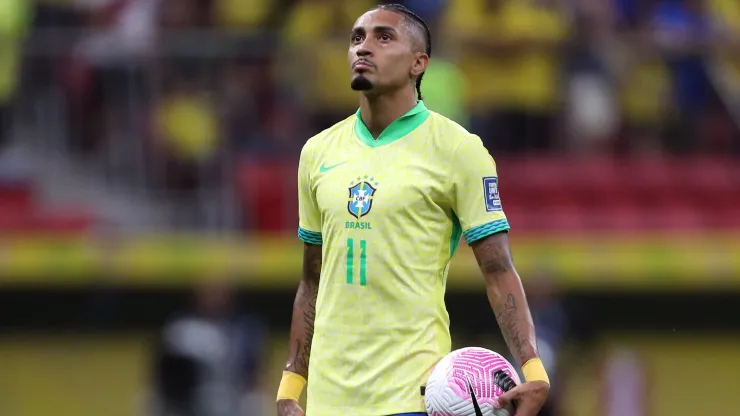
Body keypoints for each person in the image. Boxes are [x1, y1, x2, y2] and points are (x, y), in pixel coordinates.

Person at [276, 4, 550, 416]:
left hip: (412, 397)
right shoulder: (317, 153)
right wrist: (290, 387)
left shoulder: (458, 150)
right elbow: (312, 281)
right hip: (328, 404)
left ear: (418, 63)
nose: (363, 48)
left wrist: (534, 371)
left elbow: (498, 269)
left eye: (383, 37)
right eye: (356, 38)